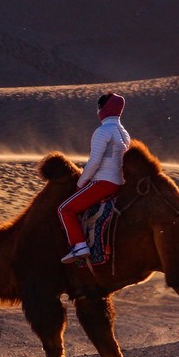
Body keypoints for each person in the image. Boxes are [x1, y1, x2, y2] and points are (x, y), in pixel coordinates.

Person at [59, 92, 131, 264]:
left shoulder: (103, 131)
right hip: (119, 183)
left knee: (65, 209)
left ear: (104, 108)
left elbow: (94, 162)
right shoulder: (124, 133)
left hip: (104, 183)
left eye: (99, 107)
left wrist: (80, 183)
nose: (98, 111)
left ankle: (79, 245)